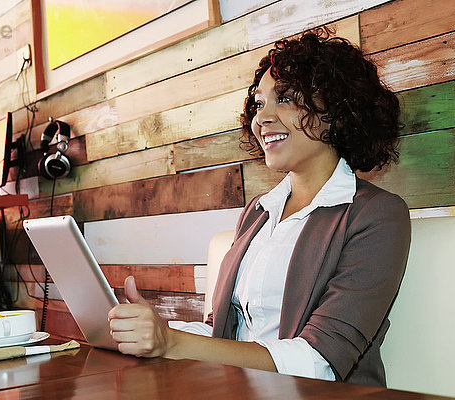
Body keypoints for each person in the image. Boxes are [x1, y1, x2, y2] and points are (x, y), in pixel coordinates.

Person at [107, 28, 411, 387]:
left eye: (285, 98)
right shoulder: (259, 210)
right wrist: (154, 329)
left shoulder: (376, 214)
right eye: (259, 103)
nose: (261, 118)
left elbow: (320, 362)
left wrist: (171, 342)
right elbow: (228, 333)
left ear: (337, 109)